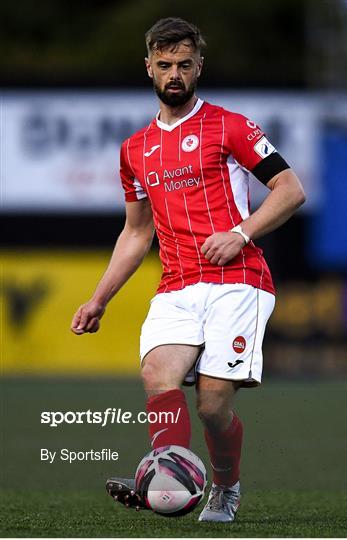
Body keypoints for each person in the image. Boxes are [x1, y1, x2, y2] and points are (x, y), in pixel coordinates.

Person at [71, 17, 305, 522]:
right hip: (176, 284)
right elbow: (137, 233)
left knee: (213, 407)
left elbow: (290, 190)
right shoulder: (134, 150)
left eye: (183, 64)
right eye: (164, 65)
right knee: (158, 375)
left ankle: (225, 487)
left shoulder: (231, 126)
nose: (173, 73)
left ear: (199, 66)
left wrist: (241, 233)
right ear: (149, 68)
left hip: (238, 281)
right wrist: (99, 298)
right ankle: (165, 474)